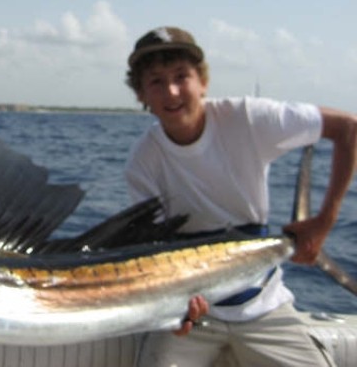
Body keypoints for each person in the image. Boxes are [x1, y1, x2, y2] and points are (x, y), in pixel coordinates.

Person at [125, 26, 357, 366]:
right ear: (141, 94)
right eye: (156, 81)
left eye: (181, 76)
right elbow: (155, 252)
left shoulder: (247, 118)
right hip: (192, 315)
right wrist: (174, 310)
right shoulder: (142, 160)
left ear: (203, 82)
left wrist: (325, 221)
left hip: (263, 306)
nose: (171, 91)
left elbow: (349, 127)